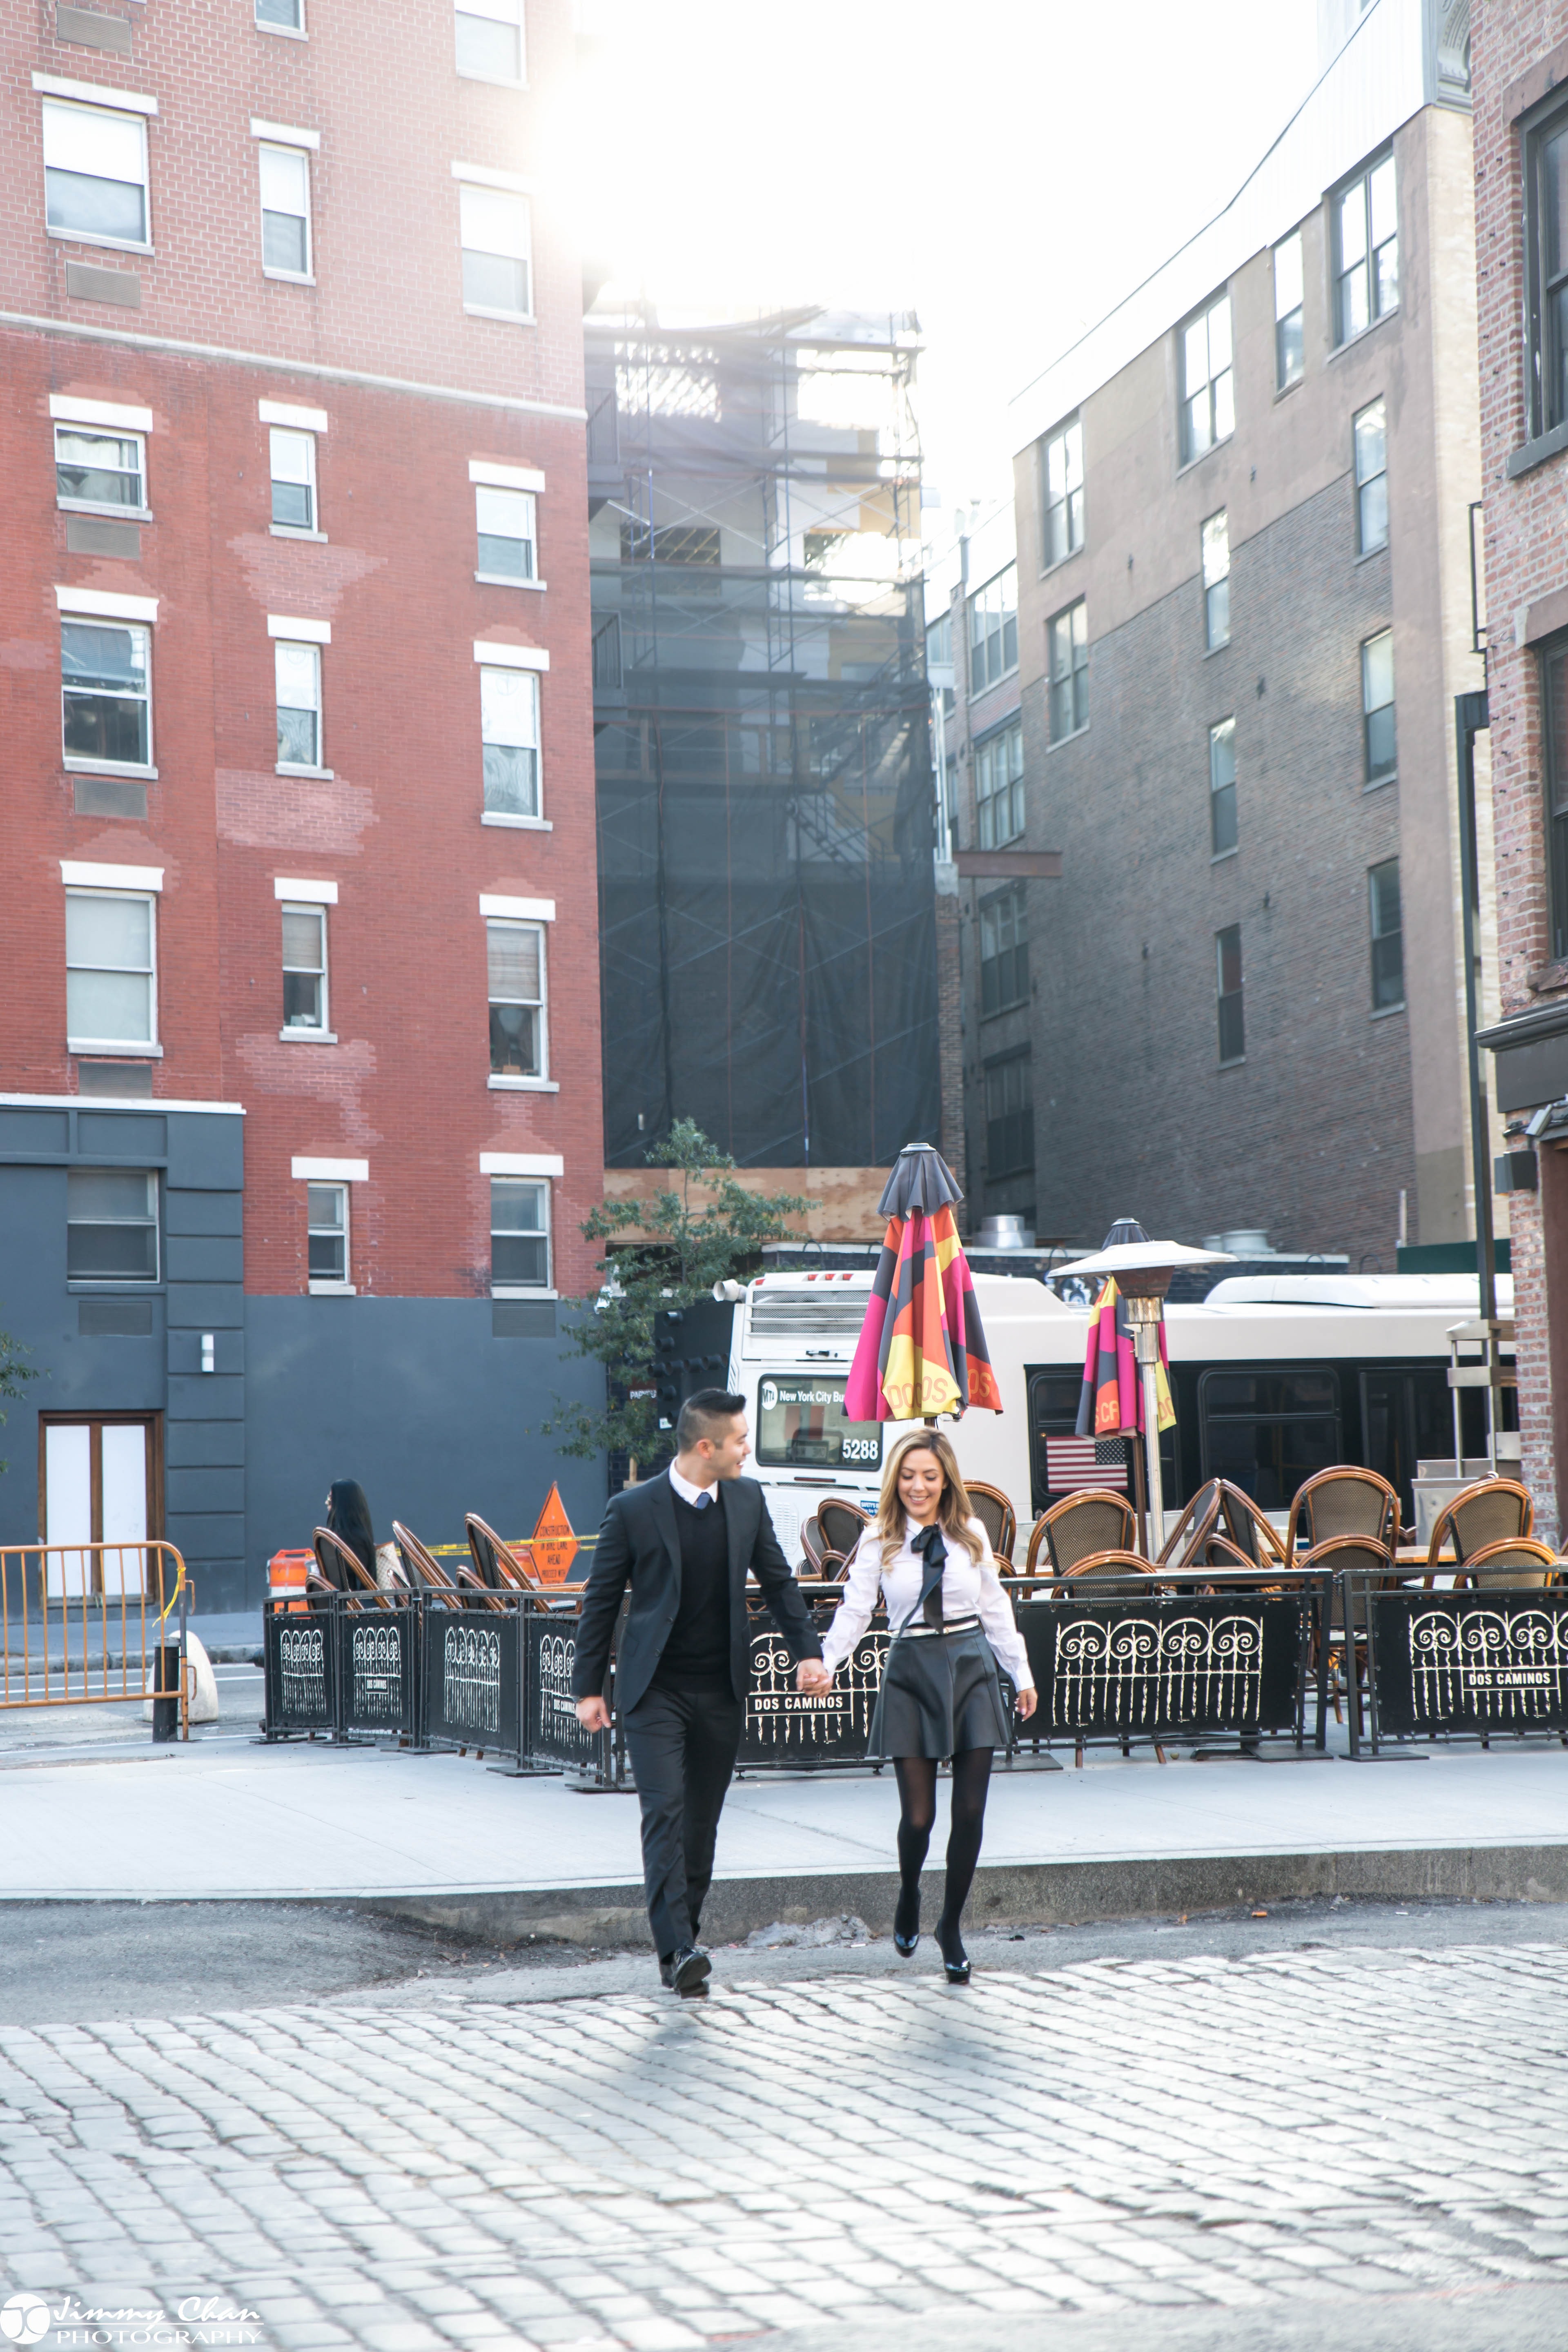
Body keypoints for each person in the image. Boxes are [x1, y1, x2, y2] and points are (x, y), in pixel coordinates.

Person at [572, 1390, 825, 1997]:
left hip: (721, 1689)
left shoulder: (747, 1499)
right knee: (664, 1812)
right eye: (741, 1440)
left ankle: (683, 1941)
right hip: (653, 1691)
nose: (748, 1451)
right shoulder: (632, 1510)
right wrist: (588, 1690)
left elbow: (779, 1582)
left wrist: (809, 1652)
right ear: (706, 1447)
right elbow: (600, 1603)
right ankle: (679, 1948)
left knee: (702, 1824)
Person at [800, 1428, 1036, 1984]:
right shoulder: (879, 1537)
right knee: (919, 1818)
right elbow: (856, 1609)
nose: (918, 1486)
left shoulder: (971, 1532)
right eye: (908, 1476)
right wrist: (827, 1663)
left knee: (971, 1812)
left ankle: (950, 1926)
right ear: (895, 1481)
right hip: (911, 1670)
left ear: (946, 1479)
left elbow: (995, 1608)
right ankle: (909, 1892)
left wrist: (1020, 1672)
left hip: (970, 1666)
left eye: (929, 1476)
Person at [324, 1481, 377, 1582]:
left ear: (343, 1504)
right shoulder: (357, 1538)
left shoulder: (352, 1540)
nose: (326, 1503)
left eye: (331, 1500)